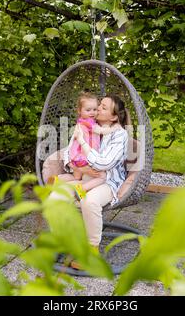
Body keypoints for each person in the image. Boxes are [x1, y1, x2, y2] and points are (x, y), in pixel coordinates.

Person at [47, 94, 129, 268]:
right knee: (56, 197)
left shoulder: (119, 135)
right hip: (85, 178)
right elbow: (69, 152)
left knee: (89, 201)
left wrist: (83, 143)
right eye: (100, 105)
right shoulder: (88, 125)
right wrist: (79, 167)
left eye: (104, 107)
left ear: (114, 116)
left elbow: (103, 164)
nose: (98, 108)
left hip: (108, 182)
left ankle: (92, 252)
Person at [48, 92, 121, 200]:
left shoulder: (80, 122)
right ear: (79, 111)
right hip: (84, 157)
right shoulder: (89, 123)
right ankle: (82, 188)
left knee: (76, 176)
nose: (92, 112)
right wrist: (114, 128)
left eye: (95, 109)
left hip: (76, 156)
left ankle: (58, 180)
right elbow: (101, 131)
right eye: (88, 110)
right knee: (102, 177)